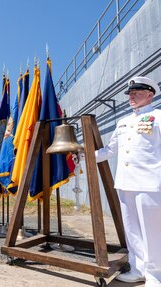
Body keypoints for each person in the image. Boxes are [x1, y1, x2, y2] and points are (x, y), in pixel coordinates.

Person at [96, 76, 161, 287]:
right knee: (132, 230)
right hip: (125, 183)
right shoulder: (123, 122)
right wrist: (83, 154)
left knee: (152, 231)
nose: (131, 96)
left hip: (150, 183)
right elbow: (110, 150)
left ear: (150, 94)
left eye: (137, 93)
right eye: (130, 94)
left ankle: (155, 275)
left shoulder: (158, 117)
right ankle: (137, 269)